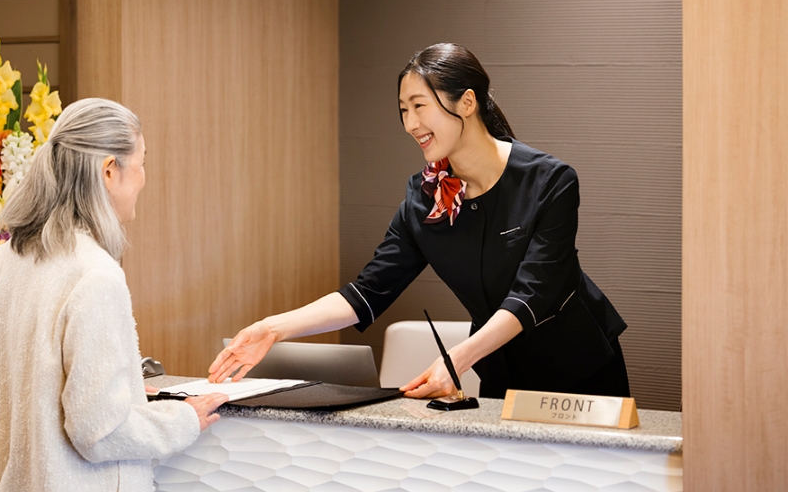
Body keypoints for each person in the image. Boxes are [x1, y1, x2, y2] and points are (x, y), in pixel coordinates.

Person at [210, 43, 629, 400]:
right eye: (403, 110)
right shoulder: (424, 199)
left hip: (581, 371)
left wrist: (457, 358)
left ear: (467, 102)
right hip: (501, 372)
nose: (411, 124)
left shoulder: (549, 180)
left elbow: (532, 294)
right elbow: (368, 292)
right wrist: (272, 329)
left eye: (419, 106)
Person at [0, 98, 226, 492]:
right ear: (109, 171)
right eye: (141, 163)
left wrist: (120, 388)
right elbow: (99, 430)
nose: (143, 178)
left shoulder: (3, 258)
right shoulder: (95, 275)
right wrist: (181, 420)